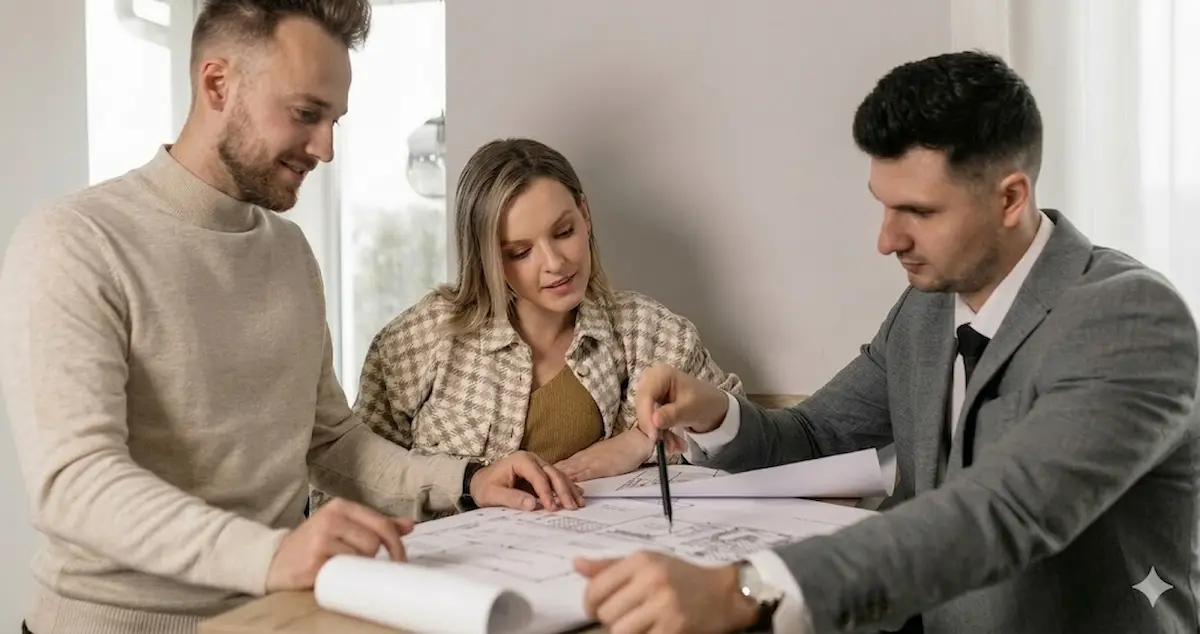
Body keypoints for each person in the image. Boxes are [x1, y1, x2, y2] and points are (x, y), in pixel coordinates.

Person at [573, 50, 1200, 634]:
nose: (886, 240)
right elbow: (817, 438)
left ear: (1011, 198)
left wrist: (746, 591)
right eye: (883, 205)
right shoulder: (926, 308)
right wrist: (715, 414)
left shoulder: (1130, 319)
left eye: (919, 212)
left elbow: (1002, 513)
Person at [0, 2, 580, 633]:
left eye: (333, 120)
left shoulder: (287, 252)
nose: (326, 148)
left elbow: (330, 441)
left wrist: (468, 481)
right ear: (217, 83)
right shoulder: (75, 241)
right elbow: (75, 484)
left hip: (276, 616)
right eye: (306, 114)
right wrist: (275, 553)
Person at [310, 137, 742, 514]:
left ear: (585, 215)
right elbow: (341, 490)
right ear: (486, 259)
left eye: (564, 231)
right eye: (520, 251)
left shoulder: (649, 332)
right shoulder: (416, 345)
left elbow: (746, 441)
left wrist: (639, 443)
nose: (555, 264)